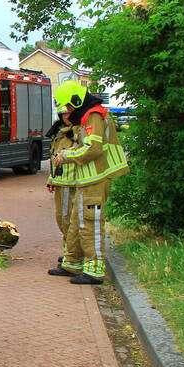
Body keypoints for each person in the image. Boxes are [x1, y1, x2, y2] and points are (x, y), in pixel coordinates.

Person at [48, 81, 129, 285]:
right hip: (87, 180)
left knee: (90, 223)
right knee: (77, 223)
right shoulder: (86, 117)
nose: (67, 112)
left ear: (76, 102)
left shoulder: (94, 116)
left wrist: (66, 156)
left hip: (96, 179)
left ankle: (94, 270)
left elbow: (93, 149)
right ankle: (72, 263)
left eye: (68, 107)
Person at [46, 106, 80, 266]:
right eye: (63, 113)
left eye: (69, 113)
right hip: (60, 182)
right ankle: (69, 252)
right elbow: (55, 158)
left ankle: (72, 255)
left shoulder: (77, 132)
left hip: (71, 183)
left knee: (68, 221)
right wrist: (51, 179)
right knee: (61, 219)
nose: (66, 116)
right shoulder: (60, 132)